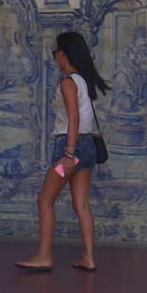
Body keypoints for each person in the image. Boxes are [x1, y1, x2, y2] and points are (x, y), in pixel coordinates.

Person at [15, 31, 110, 273]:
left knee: (44, 200)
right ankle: (88, 257)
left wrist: (68, 156)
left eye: (55, 52)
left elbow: (73, 118)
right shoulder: (84, 81)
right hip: (87, 147)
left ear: (63, 53)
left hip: (70, 149)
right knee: (82, 205)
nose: (54, 56)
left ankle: (44, 256)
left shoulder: (67, 82)